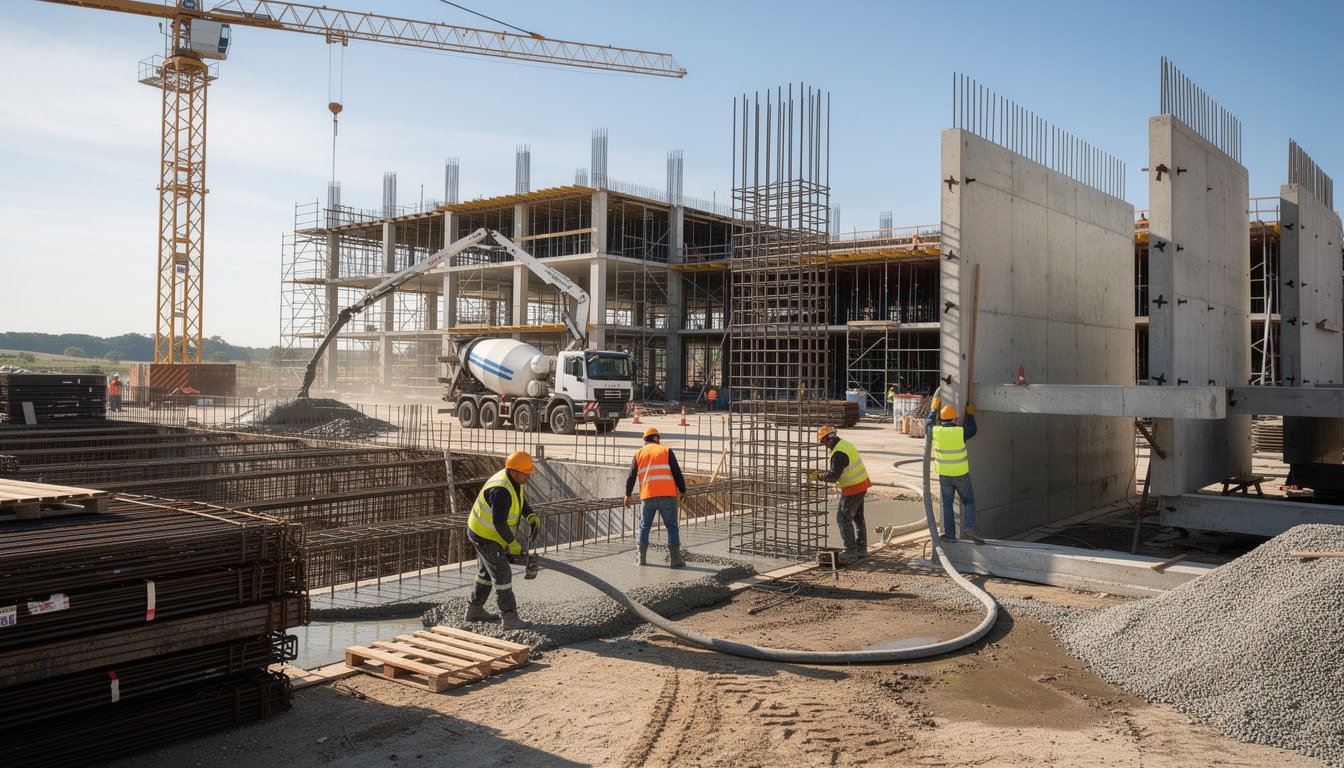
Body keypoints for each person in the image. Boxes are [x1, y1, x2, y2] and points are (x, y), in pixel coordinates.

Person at [465, 451, 542, 629]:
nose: (529, 476)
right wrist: (512, 543)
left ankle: (474, 610)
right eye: (526, 473)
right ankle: (509, 619)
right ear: (514, 471)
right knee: (502, 573)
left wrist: (530, 515)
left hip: (487, 533)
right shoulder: (500, 489)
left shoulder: (514, 481)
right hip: (484, 535)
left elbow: (519, 500)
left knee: (486, 573)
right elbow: (499, 522)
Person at [625, 427, 688, 567]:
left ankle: (641, 559)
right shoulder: (666, 451)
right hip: (667, 495)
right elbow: (677, 473)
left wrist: (627, 494)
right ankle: (675, 560)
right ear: (656, 438)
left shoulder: (639, 453)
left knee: (644, 527)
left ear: (645, 440)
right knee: (671, 527)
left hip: (647, 496)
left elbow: (631, 477)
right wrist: (683, 491)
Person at [810, 425, 871, 562]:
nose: (824, 446)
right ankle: (861, 549)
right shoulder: (845, 444)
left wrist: (818, 476)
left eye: (823, 442)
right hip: (862, 484)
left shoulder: (838, 453)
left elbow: (834, 476)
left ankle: (850, 551)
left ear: (828, 439)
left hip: (852, 488)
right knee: (858, 518)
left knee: (843, 518)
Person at [927, 399, 983, 544]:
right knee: (968, 501)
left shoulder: (936, 431)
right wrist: (970, 414)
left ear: (941, 418)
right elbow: (973, 429)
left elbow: (928, 425)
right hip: (961, 474)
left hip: (944, 475)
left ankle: (950, 535)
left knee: (947, 504)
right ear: (955, 418)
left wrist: (933, 409)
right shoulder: (960, 431)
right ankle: (969, 528)